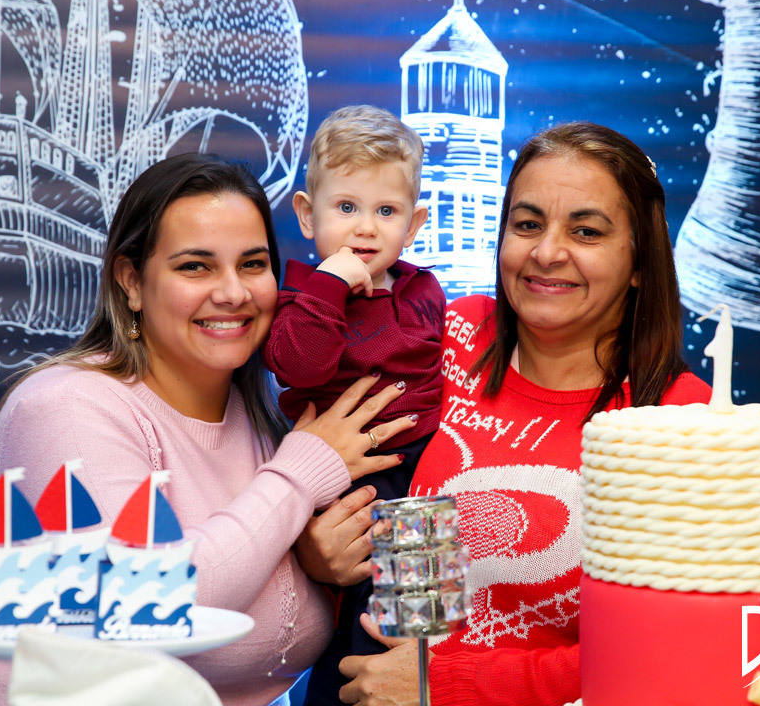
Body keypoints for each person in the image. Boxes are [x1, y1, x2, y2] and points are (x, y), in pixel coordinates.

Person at [0, 153, 414, 706]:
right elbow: (146, 607)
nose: (233, 292)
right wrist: (303, 471)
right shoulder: (63, 407)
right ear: (131, 282)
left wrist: (313, 561)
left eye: (252, 264)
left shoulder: (263, 411)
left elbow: (251, 584)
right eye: (195, 267)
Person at [295, 122, 712, 705]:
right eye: (528, 224)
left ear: (640, 261)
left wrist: (444, 685)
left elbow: (675, 648)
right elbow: (363, 487)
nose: (547, 253)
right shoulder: (450, 335)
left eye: (586, 231)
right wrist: (317, 551)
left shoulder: (683, 419)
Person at [260, 105, 444, 703]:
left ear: (413, 225)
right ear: (307, 215)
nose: (365, 228)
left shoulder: (424, 289)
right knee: (361, 622)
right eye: (346, 208)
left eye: (386, 212)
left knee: (423, 629)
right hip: (354, 479)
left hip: (427, 474)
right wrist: (332, 283)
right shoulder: (301, 299)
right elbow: (301, 366)